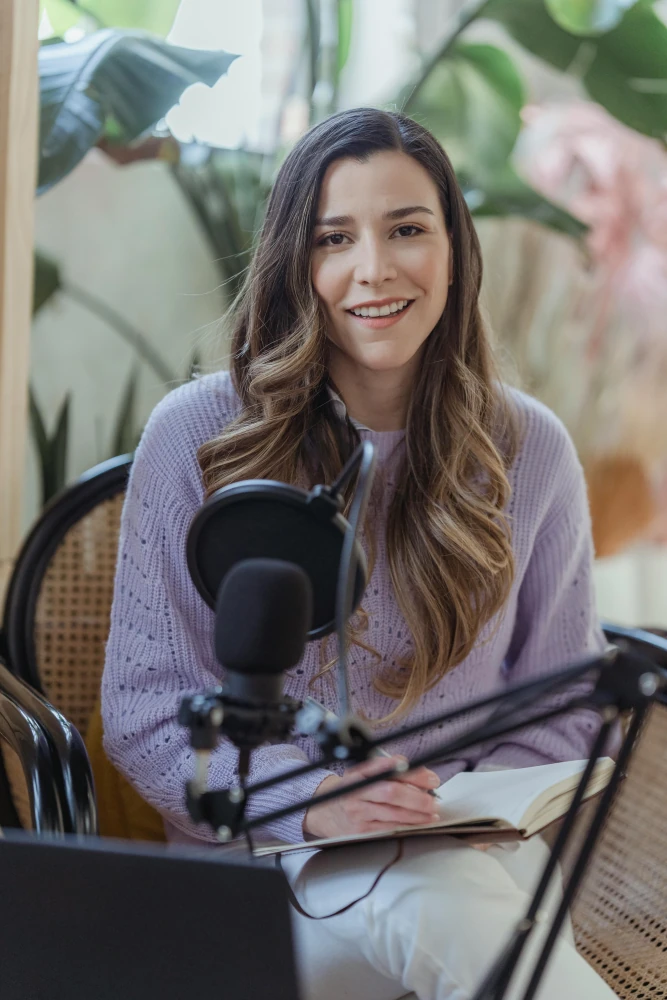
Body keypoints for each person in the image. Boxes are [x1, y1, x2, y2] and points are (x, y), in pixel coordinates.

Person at [102, 108, 619, 1000]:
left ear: (453, 247)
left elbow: (566, 702)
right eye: (333, 238)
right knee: (421, 896)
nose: (373, 268)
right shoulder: (197, 437)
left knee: (434, 885)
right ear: (293, 266)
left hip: (474, 852)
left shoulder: (528, 449)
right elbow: (144, 708)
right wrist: (312, 800)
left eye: (407, 229)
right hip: (269, 863)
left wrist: (425, 804)